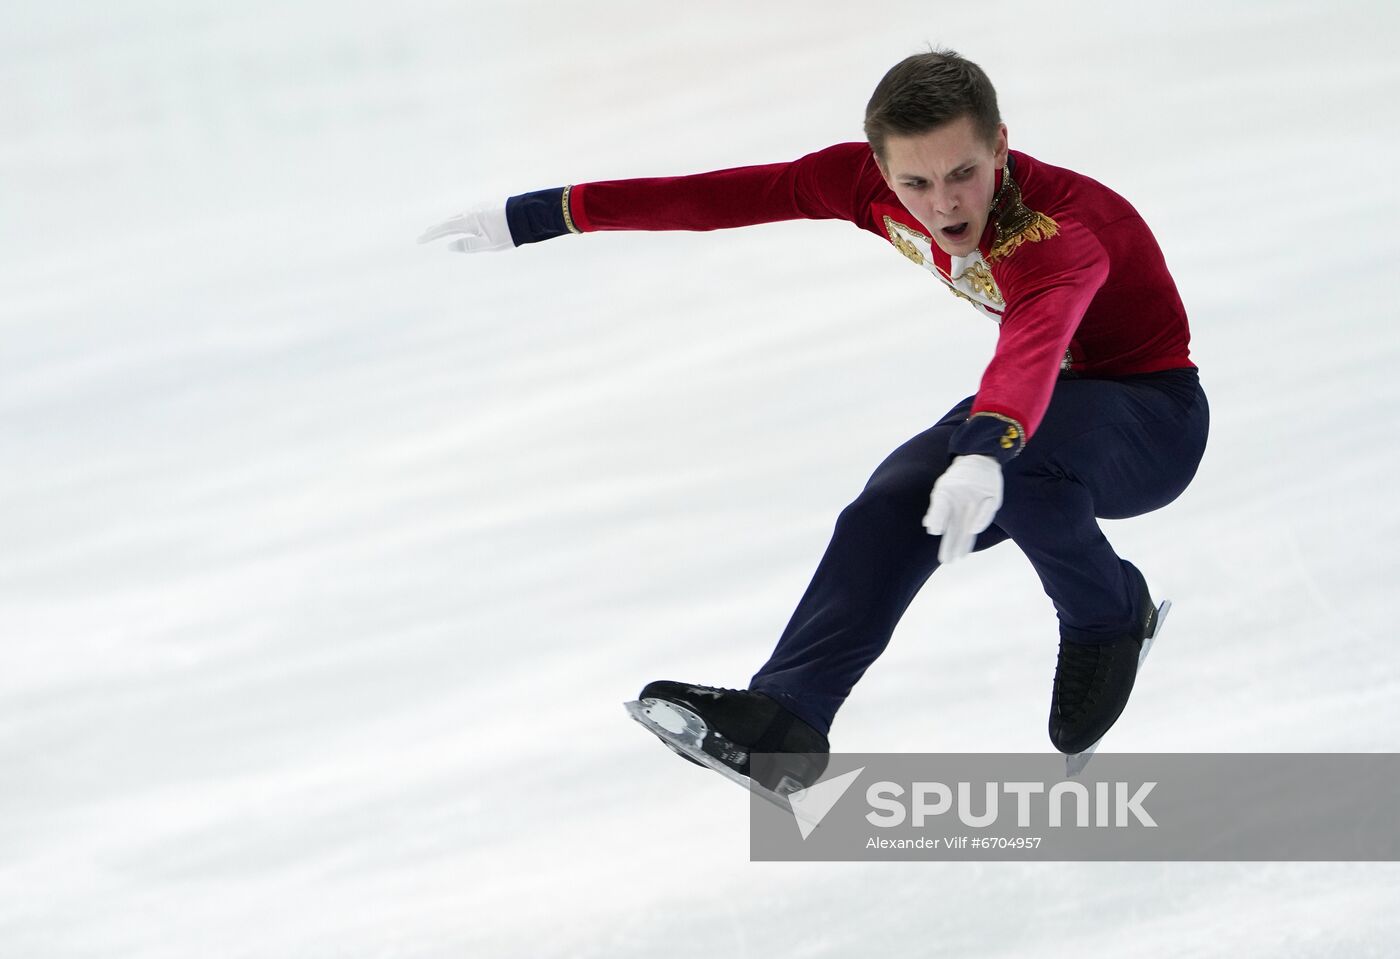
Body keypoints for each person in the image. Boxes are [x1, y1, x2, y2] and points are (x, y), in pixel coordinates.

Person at [420, 49, 1209, 791]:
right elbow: (722, 197)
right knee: (891, 504)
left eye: (965, 172)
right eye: (917, 183)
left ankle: (1107, 615)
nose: (944, 203)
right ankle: (789, 717)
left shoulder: (1059, 232)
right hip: (1045, 410)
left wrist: (988, 444)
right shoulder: (860, 184)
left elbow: (1032, 345)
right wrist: (547, 214)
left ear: (1000, 145)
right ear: (880, 168)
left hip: (1152, 418)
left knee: (1021, 462)